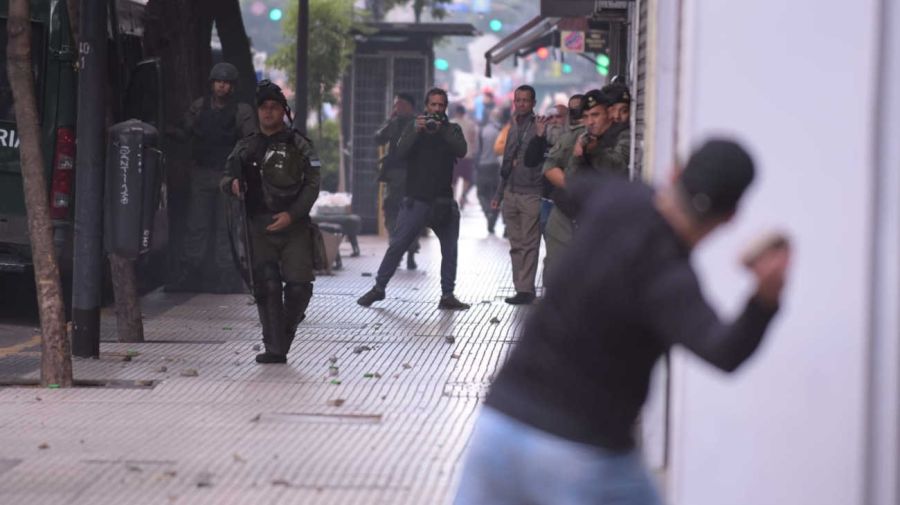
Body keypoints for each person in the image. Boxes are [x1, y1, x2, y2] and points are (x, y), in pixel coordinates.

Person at [453, 139, 791, 505]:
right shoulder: (670, 278)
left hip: (500, 426)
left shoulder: (616, 197)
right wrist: (765, 296)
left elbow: (567, 185)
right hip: (585, 455)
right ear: (730, 218)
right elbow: (724, 351)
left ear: (674, 173)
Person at [220, 80, 321, 364]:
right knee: (267, 286)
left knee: (300, 288)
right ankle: (274, 348)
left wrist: (292, 214)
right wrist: (234, 185)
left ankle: (283, 332)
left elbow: (314, 183)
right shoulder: (246, 147)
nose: (268, 113)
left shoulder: (299, 144)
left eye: (274, 108)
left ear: (282, 111)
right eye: (263, 108)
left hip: (295, 228)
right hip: (259, 226)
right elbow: (225, 178)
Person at [356, 88, 470, 311]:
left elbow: (461, 150)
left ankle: (447, 295)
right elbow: (400, 153)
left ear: (445, 107)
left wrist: (443, 129)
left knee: (450, 249)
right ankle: (379, 288)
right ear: (426, 107)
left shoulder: (452, 129)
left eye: (441, 105)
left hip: (443, 201)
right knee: (397, 244)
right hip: (417, 199)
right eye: (433, 105)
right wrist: (415, 131)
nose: (437, 109)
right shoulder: (413, 127)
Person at [170, 62, 257, 293]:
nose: (222, 86)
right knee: (196, 225)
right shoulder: (200, 107)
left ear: (232, 87)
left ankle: (226, 276)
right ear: (212, 83)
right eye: (219, 81)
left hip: (228, 177)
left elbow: (250, 142)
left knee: (225, 227)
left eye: (226, 83)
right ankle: (190, 273)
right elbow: (183, 131)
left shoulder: (241, 111)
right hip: (202, 172)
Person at [542, 89, 629, 276]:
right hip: (565, 216)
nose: (591, 121)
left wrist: (593, 152)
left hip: (600, 219)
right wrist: (573, 183)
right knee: (557, 273)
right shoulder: (577, 136)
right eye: (587, 116)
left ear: (609, 112)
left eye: (596, 115)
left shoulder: (622, 137)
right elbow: (549, 166)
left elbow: (618, 168)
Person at [492, 85, 543, 306]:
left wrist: (541, 136)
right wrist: (499, 193)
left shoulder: (540, 126)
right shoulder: (512, 126)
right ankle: (520, 287)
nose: (521, 104)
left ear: (533, 103)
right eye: (518, 100)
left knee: (530, 243)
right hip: (511, 192)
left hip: (531, 192)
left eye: (526, 100)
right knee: (515, 244)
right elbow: (506, 162)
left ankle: (526, 289)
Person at [375, 93, 419, 270]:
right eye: (395, 105)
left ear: (409, 106)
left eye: (399, 105)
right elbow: (378, 138)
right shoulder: (394, 122)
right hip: (395, 177)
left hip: (410, 177)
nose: (396, 108)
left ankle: (408, 251)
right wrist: (389, 121)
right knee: (395, 213)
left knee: (409, 215)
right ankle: (401, 250)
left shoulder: (417, 124)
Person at [475, 108, 503, 234]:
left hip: (484, 165)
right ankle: (493, 215)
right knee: (496, 195)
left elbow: (478, 150)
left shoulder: (483, 131)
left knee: (481, 193)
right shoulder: (502, 131)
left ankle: (488, 212)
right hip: (497, 166)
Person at [451, 104, 479, 209]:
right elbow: (473, 140)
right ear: (464, 113)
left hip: (454, 156)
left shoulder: (451, 123)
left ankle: (453, 199)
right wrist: (474, 151)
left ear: (456, 112)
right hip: (467, 155)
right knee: (466, 178)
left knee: (453, 180)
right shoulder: (470, 124)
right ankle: (462, 195)